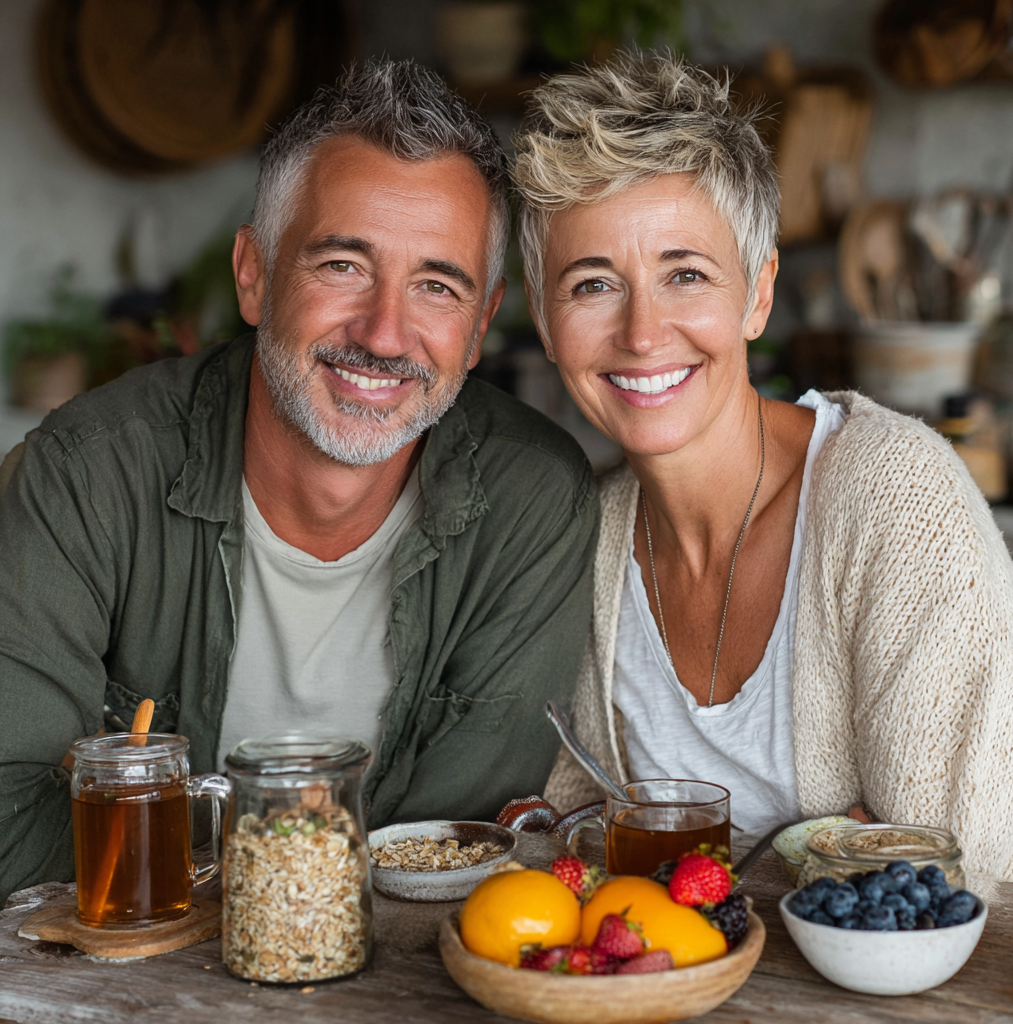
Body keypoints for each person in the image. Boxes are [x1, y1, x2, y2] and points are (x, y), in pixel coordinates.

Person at [0, 60, 599, 902]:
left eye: (436, 285)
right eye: (343, 265)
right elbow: (5, 821)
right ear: (254, 274)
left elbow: (453, 853)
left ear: (476, 328)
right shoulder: (85, 476)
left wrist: (170, 849)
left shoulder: (533, 501)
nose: (385, 333)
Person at [513, 51, 1013, 881]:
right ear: (543, 318)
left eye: (686, 274)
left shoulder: (895, 497)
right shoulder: (594, 536)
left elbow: (948, 865)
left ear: (758, 293)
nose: (643, 333)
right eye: (593, 283)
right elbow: (577, 819)